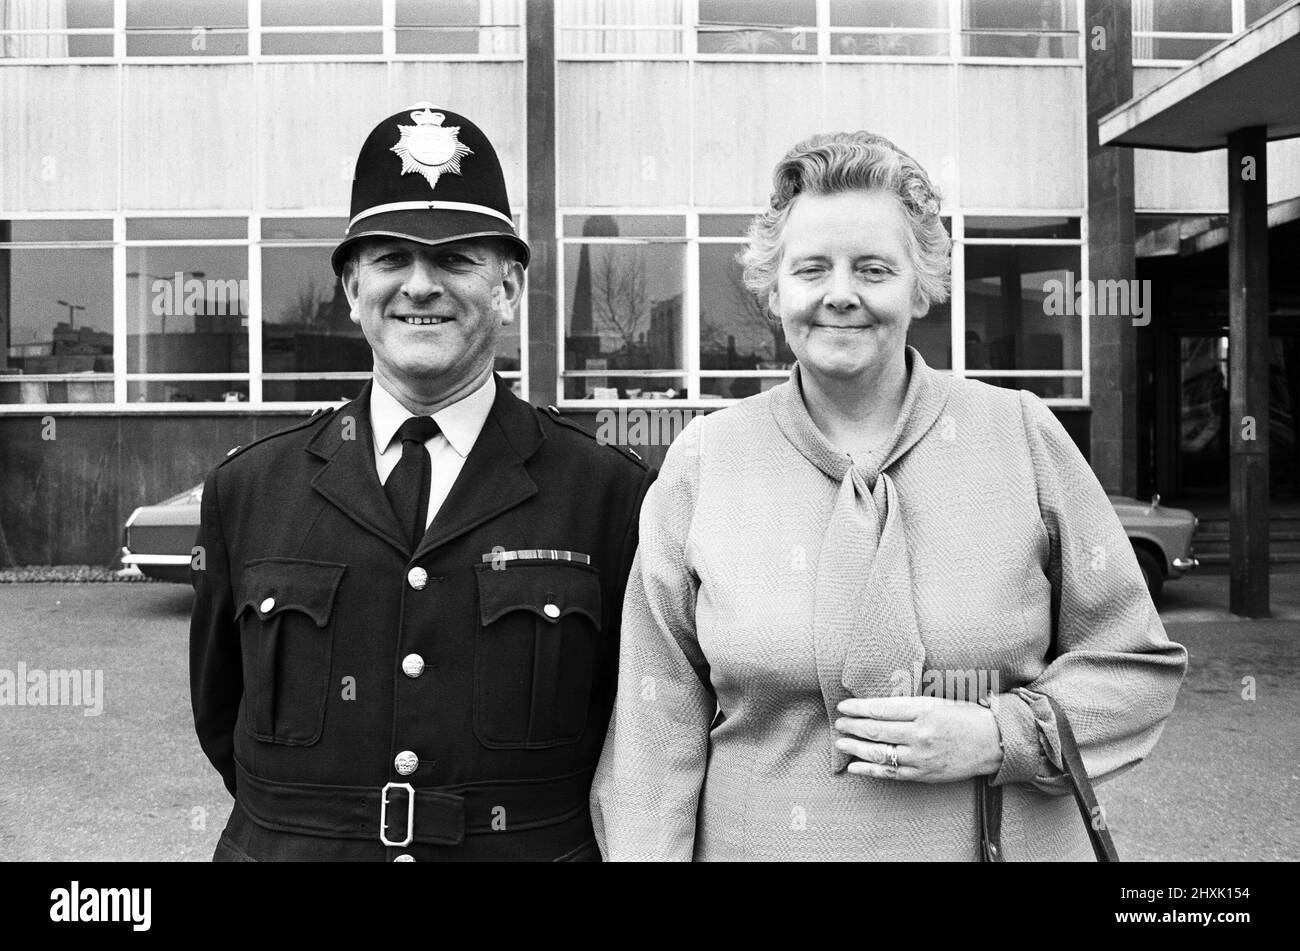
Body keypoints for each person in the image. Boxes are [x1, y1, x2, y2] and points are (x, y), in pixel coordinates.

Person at [590, 131, 1187, 861]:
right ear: (773, 286)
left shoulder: (1021, 435)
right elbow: (655, 735)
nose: (841, 293)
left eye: (873, 268)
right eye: (812, 269)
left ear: (922, 283)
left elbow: (1134, 663)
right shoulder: (704, 463)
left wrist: (1003, 734)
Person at [190, 104, 653, 861]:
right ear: (350, 286)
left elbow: (635, 731)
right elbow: (222, 721)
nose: (420, 285)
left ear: (507, 285)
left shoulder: (608, 494)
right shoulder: (250, 490)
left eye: (457, 259)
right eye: (391, 259)